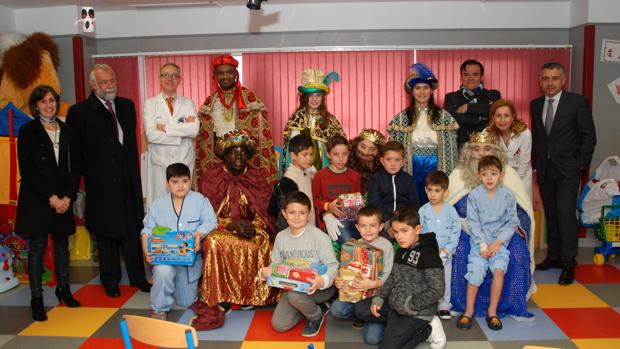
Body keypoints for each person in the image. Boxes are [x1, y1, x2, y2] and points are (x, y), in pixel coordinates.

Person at [66, 64, 150, 298]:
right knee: (106, 235)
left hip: (128, 181)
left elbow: (130, 145)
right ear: (93, 85)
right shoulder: (79, 112)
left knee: (133, 230)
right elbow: (77, 153)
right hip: (100, 184)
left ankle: (138, 278)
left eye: (113, 80)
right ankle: (110, 281)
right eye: (104, 82)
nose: (111, 85)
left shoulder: (126, 105)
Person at [447, 130, 534, 319]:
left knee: (518, 252)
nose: (481, 153)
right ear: (469, 152)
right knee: (460, 250)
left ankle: (508, 304)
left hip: (503, 233)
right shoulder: (458, 173)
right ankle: (463, 305)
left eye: (487, 148)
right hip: (466, 228)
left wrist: (502, 238)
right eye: (476, 149)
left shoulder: (508, 174)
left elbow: (520, 213)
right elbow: (447, 208)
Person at [16, 85, 81, 321]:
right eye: (43, 102)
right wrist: (51, 198)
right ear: (35, 106)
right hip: (38, 200)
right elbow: (28, 171)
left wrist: (67, 197)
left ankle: (64, 289)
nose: (48, 105)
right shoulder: (28, 131)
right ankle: (36, 298)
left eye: (52, 101)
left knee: (63, 246)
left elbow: (75, 170)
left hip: (63, 199)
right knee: (37, 248)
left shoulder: (68, 131)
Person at [197, 129, 280, 314]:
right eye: (233, 152)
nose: (239, 156)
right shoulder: (212, 176)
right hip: (221, 228)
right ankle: (221, 295)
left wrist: (253, 226)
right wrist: (230, 226)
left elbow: (266, 211)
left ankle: (249, 295)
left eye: (243, 152)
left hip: (252, 228)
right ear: (225, 154)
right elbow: (204, 214)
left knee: (264, 243)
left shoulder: (257, 176)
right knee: (213, 241)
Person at [531, 62, 596, 285]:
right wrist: (535, 165)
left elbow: (589, 137)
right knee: (551, 213)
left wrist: (580, 165)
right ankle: (554, 256)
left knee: (565, 214)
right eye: (546, 78)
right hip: (545, 169)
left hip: (569, 169)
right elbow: (539, 139)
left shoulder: (577, 103)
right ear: (540, 81)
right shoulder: (535, 104)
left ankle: (569, 264)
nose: (550, 83)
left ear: (563, 80)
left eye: (554, 78)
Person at [140, 163, 217, 320]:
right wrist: (145, 246)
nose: (180, 186)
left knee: (186, 302)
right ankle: (159, 308)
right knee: (163, 272)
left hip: (189, 262)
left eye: (185, 181)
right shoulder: (157, 205)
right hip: (165, 259)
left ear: (190, 181)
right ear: (167, 184)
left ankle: (172, 286)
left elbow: (211, 221)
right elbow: (147, 229)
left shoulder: (200, 200)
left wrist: (199, 235)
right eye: (175, 182)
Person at [364, 207, 446, 349]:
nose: (399, 236)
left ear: (417, 229)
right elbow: (392, 277)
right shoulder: (401, 250)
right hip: (397, 306)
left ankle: (427, 330)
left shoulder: (429, 254)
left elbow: (437, 290)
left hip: (415, 311)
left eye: (404, 231)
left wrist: (410, 305)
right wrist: (380, 298)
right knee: (360, 309)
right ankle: (395, 327)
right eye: (396, 232)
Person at [260, 191, 339, 338]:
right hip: (294, 288)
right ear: (284, 213)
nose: (296, 217)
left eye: (301, 213)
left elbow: (333, 266)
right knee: (279, 325)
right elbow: (275, 265)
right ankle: (310, 308)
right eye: (292, 212)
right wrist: (265, 273)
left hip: (319, 288)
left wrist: (322, 281)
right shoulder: (281, 237)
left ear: (309, 214)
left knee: (295, 297)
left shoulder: (319, 237)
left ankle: (316, 316)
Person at [456, 155, 518, 331]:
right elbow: (473, 223)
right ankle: (469, 311)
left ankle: (492, 311)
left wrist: (499, 242)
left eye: (493, 173)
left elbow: (513, 222)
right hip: (479, 242)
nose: (489, 178)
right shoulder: (474, 196)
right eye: (485, 174)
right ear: (478, 175)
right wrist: (482, 245)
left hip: (499, 242)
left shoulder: (508, 195)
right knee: (475, 270)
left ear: (502, 174)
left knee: (499, 270)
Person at [195, 55, 277, 186]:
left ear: (235, 74)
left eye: (229, 72)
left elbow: (261, 134)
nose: (225, 76)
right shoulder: (210, 102)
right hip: (218, 162)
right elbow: (203, 138)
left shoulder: (249, 98)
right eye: (220, 73)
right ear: (216, 76)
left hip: (244, 162)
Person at [388, 63, 459, 205]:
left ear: (431, 90)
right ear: (412, 91)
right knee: (412, 202)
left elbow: (451, 150)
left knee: (434, 200)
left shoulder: (444, 117)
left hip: (436, 165)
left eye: (426, 88)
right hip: (410, 166)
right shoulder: (401, 119)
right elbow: (393, 149)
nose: (422, 92)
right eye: (418, 88)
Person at [331, 205, 394, 345]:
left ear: (380, 227)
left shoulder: (386, 246)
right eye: (363, 226)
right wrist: (339, 281)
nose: (368, 229)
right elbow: (345, 270)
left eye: (372, 225)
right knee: (336, 309)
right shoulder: (353, 246)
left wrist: (373, 284)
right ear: (358, 228)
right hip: (357, 295)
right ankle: (362, 316)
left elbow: (389, 276)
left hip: (377, 298)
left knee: (371, 339)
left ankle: (377, 318)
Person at [143, 63, 199, 206]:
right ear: (160, 79)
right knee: (161, 205)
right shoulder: (150, 104)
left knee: (183, 205)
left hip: (183, 159)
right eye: (166, 75)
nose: (170, 79)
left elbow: (193, 130)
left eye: (174, 76)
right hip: (160, 163)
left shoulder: (188, 103)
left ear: (180, 80)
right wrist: (181, 132)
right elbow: (151, 135)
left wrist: (165, 128)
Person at [282, 69, 346, 171]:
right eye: (311, 96)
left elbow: (340, 144)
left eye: (318, 95)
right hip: (300, 169)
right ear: (305, 98)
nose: (315, 99)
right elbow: (289, 148)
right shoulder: (295, 118)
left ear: (323, 98)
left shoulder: (330, 120)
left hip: (323, 168)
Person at [418, 170, 461, 320]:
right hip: (429, 254)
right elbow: (421, 232)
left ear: (446, 192)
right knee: (427, 279)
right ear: (425, 190)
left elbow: (456, 231)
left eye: (437, 191)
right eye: (430, 190)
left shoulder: (451, 211)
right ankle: (428, 304)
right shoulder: (423, 211)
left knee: (444, 279)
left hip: (446, 255)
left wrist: (447, 250)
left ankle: (444, 305)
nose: (433, 194)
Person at [312, 135, 361, 244]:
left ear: (348, 153)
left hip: (351, 219)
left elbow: (357, 201)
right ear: (328, 154)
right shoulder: (320, 176)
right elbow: (313, 199)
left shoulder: (355, 176)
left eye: (344, 154)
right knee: (349, 241)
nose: (341, 158)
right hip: (331, 220)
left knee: (364, 237)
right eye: (336, 154)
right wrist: (328, 206)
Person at [443, 59, 501, 148]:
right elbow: (451, 119)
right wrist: (481, 118)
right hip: (460, 147)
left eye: (475, 74)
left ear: (481, 76)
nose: (470, 78)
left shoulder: (493, 94)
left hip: (486, 146)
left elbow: (496, 112)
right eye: (466, 74)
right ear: (461, 76)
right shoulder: (451, 97)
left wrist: (468, 107)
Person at [487, 99, 533, 200]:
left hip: (522, 176)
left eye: (506, 116)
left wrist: (513, 182)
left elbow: (524, 162)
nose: (502, 120)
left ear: (513, 117)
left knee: (521, 209)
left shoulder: (524, 133)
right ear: (493, 118)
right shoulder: (487, 134)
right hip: (498, 178)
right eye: (498, 116)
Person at [367, 141, 419, 227]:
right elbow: (374, 204)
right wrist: (389, 222)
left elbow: (414, 204)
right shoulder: (376, 178)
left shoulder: (408, 179)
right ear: (382, 161)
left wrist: (404, 220)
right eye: (388, 159)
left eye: (397, 160)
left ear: (403, 162)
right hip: (383, 222)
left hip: (404, 221)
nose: (393, 164)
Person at [282, 134, 316, 226]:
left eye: (311, 154)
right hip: (298, 227)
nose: (309, 158)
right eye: (305, 155)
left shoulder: (307, 172)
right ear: (293, 156)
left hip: (310, 225)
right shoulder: (289, 179)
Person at [348, 128, 386, 195]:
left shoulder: (384, 171)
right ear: (356, 145)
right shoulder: (344, 163)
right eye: (362, 146)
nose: (366, 153)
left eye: (372, 149)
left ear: (379, 152)